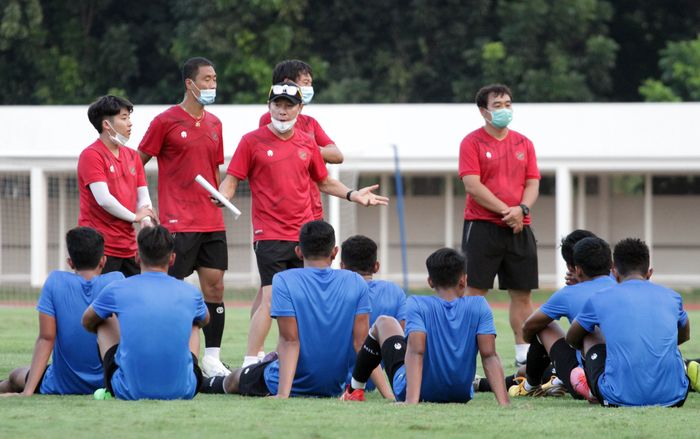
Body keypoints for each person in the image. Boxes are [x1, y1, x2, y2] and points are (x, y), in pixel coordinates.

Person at [218, 81, 388, 367]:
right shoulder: (251, 141)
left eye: (289, 106)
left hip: (304, 236)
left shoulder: (308, 142)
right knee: (271, 298)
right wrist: (223, 195)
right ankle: (250, 361)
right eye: (277, 105)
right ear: (269, 106)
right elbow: (232, 179)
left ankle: (301, 359)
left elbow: (323, 181)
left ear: (300, 109)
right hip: (269, 233)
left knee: (304, 302)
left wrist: (352, 194)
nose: (282, 111)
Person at [199, 220, 371, 398]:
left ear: (298, 251)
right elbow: (362, 344)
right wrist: (389, 395)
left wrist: (282, 395)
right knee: (266, 363)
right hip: (335, 385)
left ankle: (207, 383)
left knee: (236, 378)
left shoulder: (284, 279)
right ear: (335, 252)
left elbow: (290, 341)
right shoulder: (356, 281)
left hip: (286, 380)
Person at [138, 57, 229, 377]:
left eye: (215, 79)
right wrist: (141, 202)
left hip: (212, 222)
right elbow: (138, 161)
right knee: (170, 290)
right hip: (178, 222)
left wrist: (221, 196)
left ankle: (212, 358)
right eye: (207, 79)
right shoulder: (165, 121)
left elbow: (214, 170)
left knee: (215, 289)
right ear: (190, 84)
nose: (213, 85)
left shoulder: (216, 124)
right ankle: (170, 353)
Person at [340, 248, 509, 406]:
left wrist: (411, 401)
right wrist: (504, 404)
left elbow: (416, 351)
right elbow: (489, 355)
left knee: (384, 322)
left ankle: (355, 390)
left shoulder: (417, 303)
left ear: (430, 281)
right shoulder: (480, 305)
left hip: (420, 392)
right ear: (463, 280)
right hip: (461, 394)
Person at [247, 59, 344, 325]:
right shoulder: (272, 119)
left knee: (288, 289)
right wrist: (299, 148)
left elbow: (336, 155)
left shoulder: (309, 123)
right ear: (286, 86)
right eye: (305, 83)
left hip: (311, 213)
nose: (310, 88)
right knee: (275, 292)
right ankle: (254, 352)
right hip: (279, 221)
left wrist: (306, 149)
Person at [459, 84, 540, 366]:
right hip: (482, 226)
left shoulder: (524, 143)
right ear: (484, 111)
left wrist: (522, 210)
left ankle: (524, 361)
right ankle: (465, 360)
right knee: (474, 294)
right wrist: (508, 211)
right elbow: (472, 184)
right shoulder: (472, 142)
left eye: (508, 104)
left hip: (520, 227)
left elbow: (533, 182)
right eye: (498, 105)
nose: (505, 109)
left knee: (522, 294)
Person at [82, 226, 210, 400]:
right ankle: (183, 373)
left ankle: (117, 376)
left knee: (103, 319)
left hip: (128, 390)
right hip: (184, 390)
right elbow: (205, 320)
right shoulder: (191, 292)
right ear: (172, 259)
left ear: (137, 257)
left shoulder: (116, 289)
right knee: (194, 322)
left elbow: (87, 321)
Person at [566, 238, 690, 407]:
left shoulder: (600, 298)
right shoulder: (673, 297)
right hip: (674, 397)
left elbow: (572, 337)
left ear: (614, 272)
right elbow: (684, 335)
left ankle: (589, 383)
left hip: (618, 397)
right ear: (649, 273)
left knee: (589, 333)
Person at [0, 227, 123, 396]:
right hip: (108, 382)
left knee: (15, 376)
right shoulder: (116, 281)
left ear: (70, 262)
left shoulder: (55, 281)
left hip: (61, 384)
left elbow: (46, 338)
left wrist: (27, 392)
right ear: (103, 261)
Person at [509, 236, 615, 399]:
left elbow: (529, 327)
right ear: (611, 264)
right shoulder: (622, 286)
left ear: (576, 269)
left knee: (544, 327)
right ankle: (552, 380)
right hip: (626, 372)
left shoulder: (568, 294)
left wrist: (537, 344)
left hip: (590, 376)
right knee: (543, 370)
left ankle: (531, 386)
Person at [78, 95, 155, 277]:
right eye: (124, 118)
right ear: (106, 124)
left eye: (129, 118)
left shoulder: (133, 156)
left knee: (134, 302)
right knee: (101, 304)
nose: (130, 123)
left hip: (129, 246)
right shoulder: (91, 155)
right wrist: (136, 217)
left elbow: (143, 196)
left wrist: (146, 221)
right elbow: (104, 200)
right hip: (99, 248)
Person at [340, 234, 406, 398]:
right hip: (371, 383)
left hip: (332, 382)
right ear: (376, 266)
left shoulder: (335, 292)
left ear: (342, 266)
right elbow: (402, 342)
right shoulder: (395, 292)